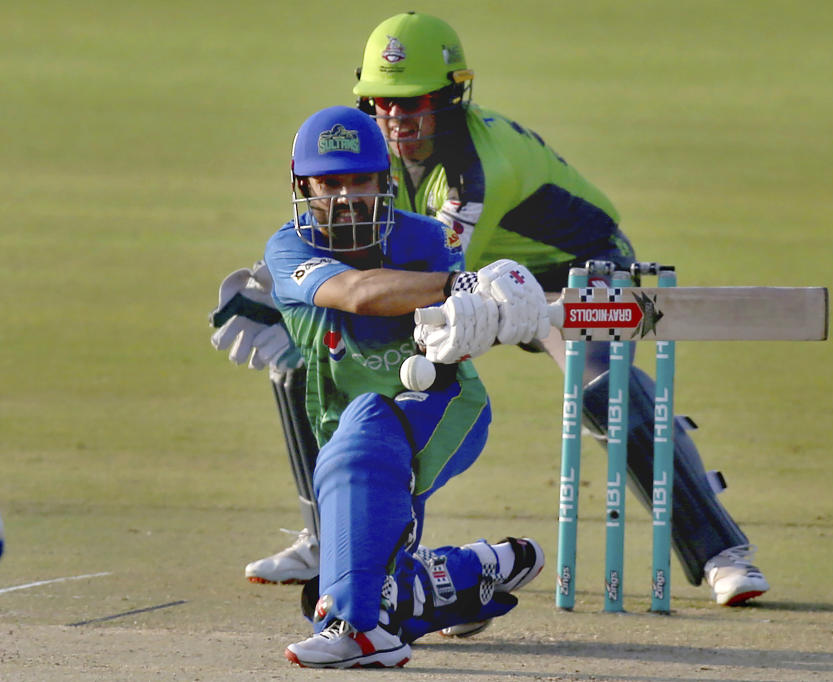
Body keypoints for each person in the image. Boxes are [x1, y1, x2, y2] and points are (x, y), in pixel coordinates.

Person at [214, 12, 768, 610]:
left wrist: (352, 292)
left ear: (455, 95)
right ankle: (330, 538)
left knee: (601, 386)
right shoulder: (376, 156)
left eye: (415, 102)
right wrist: (284, 289)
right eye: (381, 101)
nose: (396, 119)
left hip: (575, 273)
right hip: (480, 276)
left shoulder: (477, 170)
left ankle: (720, 551)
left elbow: (444, 280)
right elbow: (355, 240)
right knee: (309, 356)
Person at [256, 105, 547, 668]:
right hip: (339, 426)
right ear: (302, 185)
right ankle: (468, 574)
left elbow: (458, 332)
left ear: (385, 181)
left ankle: (362, 636)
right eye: (328, 182)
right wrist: (458, 282)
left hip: (443, 408)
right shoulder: (289, 248)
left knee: (368, 424)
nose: (345, 197)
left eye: (359, 180)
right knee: (347, 585)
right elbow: (358, 293)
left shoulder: (426, 239)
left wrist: (492, 311)